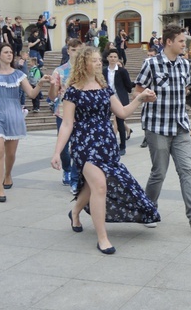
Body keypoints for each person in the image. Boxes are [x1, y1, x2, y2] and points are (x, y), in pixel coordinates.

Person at [50, 47, 160, 254]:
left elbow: (122, 112)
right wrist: (57, 152)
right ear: (84, 64)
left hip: (106, 144)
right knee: (100, 186)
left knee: (92, 187)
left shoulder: (104, 87)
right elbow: (66, 124)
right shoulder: (72, 90)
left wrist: (140, 98)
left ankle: (75, 211)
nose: (99, 63)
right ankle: (103, 238)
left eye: (99, 60)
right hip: (84, 145)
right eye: (94, 60)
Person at [135, 24, 191, 232]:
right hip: (157, 126)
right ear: (169, 42)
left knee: (186, 170)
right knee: (159, 172)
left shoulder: (184, 65)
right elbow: (138, 88)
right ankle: (148, 210)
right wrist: (148, 95)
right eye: (181, 41)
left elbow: (187, 87)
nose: (184, 44)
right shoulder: (151, 64)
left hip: (180, 125)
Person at [0, 43, 50, 202]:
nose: (10, 54)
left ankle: (8, 174)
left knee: (10, 153)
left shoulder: (18, 74)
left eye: (11, 52)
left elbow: (31, 93)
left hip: (14, 114)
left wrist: (41, 83)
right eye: (6, 52)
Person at [48, 38, 84, 193]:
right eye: (73, 50)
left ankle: (75, 179)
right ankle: (67, 168)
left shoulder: (86, 70)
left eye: (79, 50)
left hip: (82, 114)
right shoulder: (60, 71)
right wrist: (51, 86)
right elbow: (52, 96)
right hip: (63, 113)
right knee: (63, 147)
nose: (76, 53)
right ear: (68, 51)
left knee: (77, 147)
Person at [103, 48, 133, 156]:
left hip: (119, 99)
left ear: (117, 58)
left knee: (120, 123)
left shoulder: (122, 71)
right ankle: (106, 144)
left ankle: (122, 146)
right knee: (104, 122)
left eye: (115, 57)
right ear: (107, 58)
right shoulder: (103, 71)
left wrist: (125, 90)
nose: (112, 59)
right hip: (106, 99)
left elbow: (128, 85)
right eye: (111, 57)